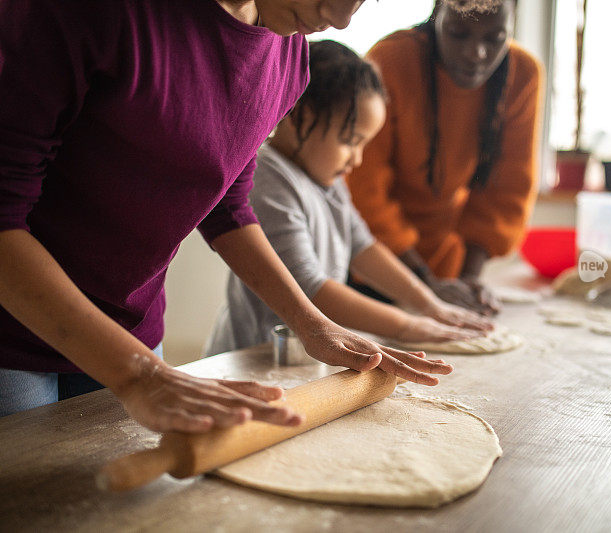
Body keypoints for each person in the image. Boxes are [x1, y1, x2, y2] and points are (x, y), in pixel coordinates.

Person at [0, 0, 459, 432]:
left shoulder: (287, 54)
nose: (342, 19)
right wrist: (138, 375)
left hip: (131, 326)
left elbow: (229, 202)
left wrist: (313, 324)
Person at [206, 41, 493, 357]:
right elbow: (312, 290)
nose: (356, 160)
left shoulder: (328, 180)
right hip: (253, 358)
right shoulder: (267, 179)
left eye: (364, 145)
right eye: (349, 141)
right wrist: (407, 326)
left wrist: (428, 304)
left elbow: (364, 247)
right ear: (299, 115)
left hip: (306, 354)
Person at [347, 0, 544, 317]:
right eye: (458, 33)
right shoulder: (392, 60)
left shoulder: (523, 73)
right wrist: (422, 282)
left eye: (494, 38)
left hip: (447, 266)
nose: (475, 53)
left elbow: (506, 193)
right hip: (372, 261)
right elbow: (363, 190)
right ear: (437, 17)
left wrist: (468, 280)